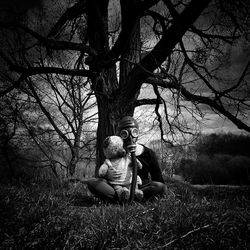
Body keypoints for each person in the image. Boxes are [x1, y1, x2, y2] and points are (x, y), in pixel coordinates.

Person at [87, 116, 167, 203]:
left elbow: (158, 179)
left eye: (133, 132)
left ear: (137, 133)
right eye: (125, 134)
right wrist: (109, 175)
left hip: (140, 187)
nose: (130, 137)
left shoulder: (148, 153)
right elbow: (101, 174)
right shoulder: (113, 152)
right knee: (92, 182)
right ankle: (126, 196)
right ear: (120, 135)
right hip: (116, 186)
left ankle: (128, 197)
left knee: (160, 187)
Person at [98, 135, 143, 201]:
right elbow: (102, 171)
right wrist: (103, 172)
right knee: (118, 189)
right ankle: (123, 195)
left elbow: (138, 165)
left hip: (129, 181)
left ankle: (135, 194)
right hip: (116, 183)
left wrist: (137, 164)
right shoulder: (108, 161)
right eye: (116, 149)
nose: (122, 150)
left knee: (133, 187)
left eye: (121, 147)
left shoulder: (127, 158)